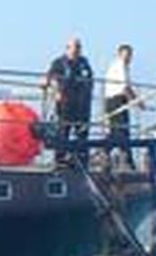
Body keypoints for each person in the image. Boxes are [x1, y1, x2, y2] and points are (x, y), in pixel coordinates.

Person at [43, 36, 94, 168]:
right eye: (74, 47)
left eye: (79, 47)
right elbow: (50, 78)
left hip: (82, 104)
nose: (76, 50)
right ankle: (60, 159)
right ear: (67, 48)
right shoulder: (59, 62)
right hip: (65, 103)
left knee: (82, 132)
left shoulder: (84, 63)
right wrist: (56, 91)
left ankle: (81, 159)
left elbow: (89, 78)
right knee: (63, 130)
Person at [104, 43, 137, 168]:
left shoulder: (121, 66)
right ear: (119, 54)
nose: (128, 58)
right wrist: (137, 101)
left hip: (116, 100)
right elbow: (125, 87)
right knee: (121, 131)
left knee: (118, 130)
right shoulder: (120, 65)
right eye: (126, 55)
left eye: (130, 56)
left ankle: (108, 152)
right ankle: (128, 160)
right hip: (116, 100)